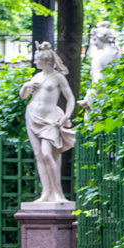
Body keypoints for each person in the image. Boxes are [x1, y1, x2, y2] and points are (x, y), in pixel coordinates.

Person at [19, 42, 75, 203]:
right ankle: (46, 193)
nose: (35, 62)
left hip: (50, 120)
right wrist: (26, 85)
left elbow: (70, 98)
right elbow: (23, 96)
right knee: (39, 156)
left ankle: (57, 193)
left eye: (37, 60)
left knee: (48, 154)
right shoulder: (36, 77)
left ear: (44, 60)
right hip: (32, 116)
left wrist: (66, 116)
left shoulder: (58, 77)